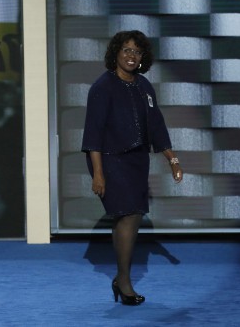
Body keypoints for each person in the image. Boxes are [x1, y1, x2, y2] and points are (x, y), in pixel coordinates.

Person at [81, 30, 183, 305]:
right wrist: (98, 173)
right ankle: (124, 281)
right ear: (116, 53)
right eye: (126, 49)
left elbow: (157, 126)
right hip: (109, 159)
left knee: (132, 217)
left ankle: (121, 277)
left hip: (137, 160)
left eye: (136, 52)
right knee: (127, 214)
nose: (131, 55)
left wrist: (172, 160)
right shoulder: (102, 87)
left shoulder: (144, 86)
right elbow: (93, 134)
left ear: (142, 58)